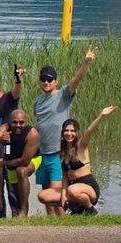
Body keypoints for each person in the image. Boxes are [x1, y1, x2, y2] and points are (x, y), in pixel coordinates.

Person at [32, 47, 96, 215]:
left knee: (58, 192)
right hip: (43, 153)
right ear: (39, 81)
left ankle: (63, 222)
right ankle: (52, 223)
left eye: (49, 79)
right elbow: (40, 125)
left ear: (56, 82)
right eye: (43, 79)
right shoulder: (37, 101)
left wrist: (86, 63)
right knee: (46, 193)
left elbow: (77, 79)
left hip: (58, 152)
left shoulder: (63, 95)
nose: (46, 82)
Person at [40, 106, 116, 214]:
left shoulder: (81, 146)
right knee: (43, 196)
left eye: (72, 131)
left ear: (77, 132)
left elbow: (89, 131)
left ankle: (90, 210)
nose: (69, 133)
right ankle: (76, 208)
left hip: (88, 187)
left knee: (73, 190)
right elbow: (65, 176)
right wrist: (63, 195)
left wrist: (101, 115)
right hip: (72, 186)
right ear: (62, 132)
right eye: (66, 130)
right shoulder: (63, 151)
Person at [0, 109, 40, 218]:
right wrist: (1, 138)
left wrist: (3, 163)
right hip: (12, 161)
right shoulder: (5, 128)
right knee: (17, 192)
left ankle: (23, 211)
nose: (18, 125)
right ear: (10, 122)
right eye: (15, 122)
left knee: (21, 171)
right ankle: (17, 214)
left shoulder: (32, 134)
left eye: (21, 122)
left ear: (26, 121)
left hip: (32, 159)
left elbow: (24, 161)